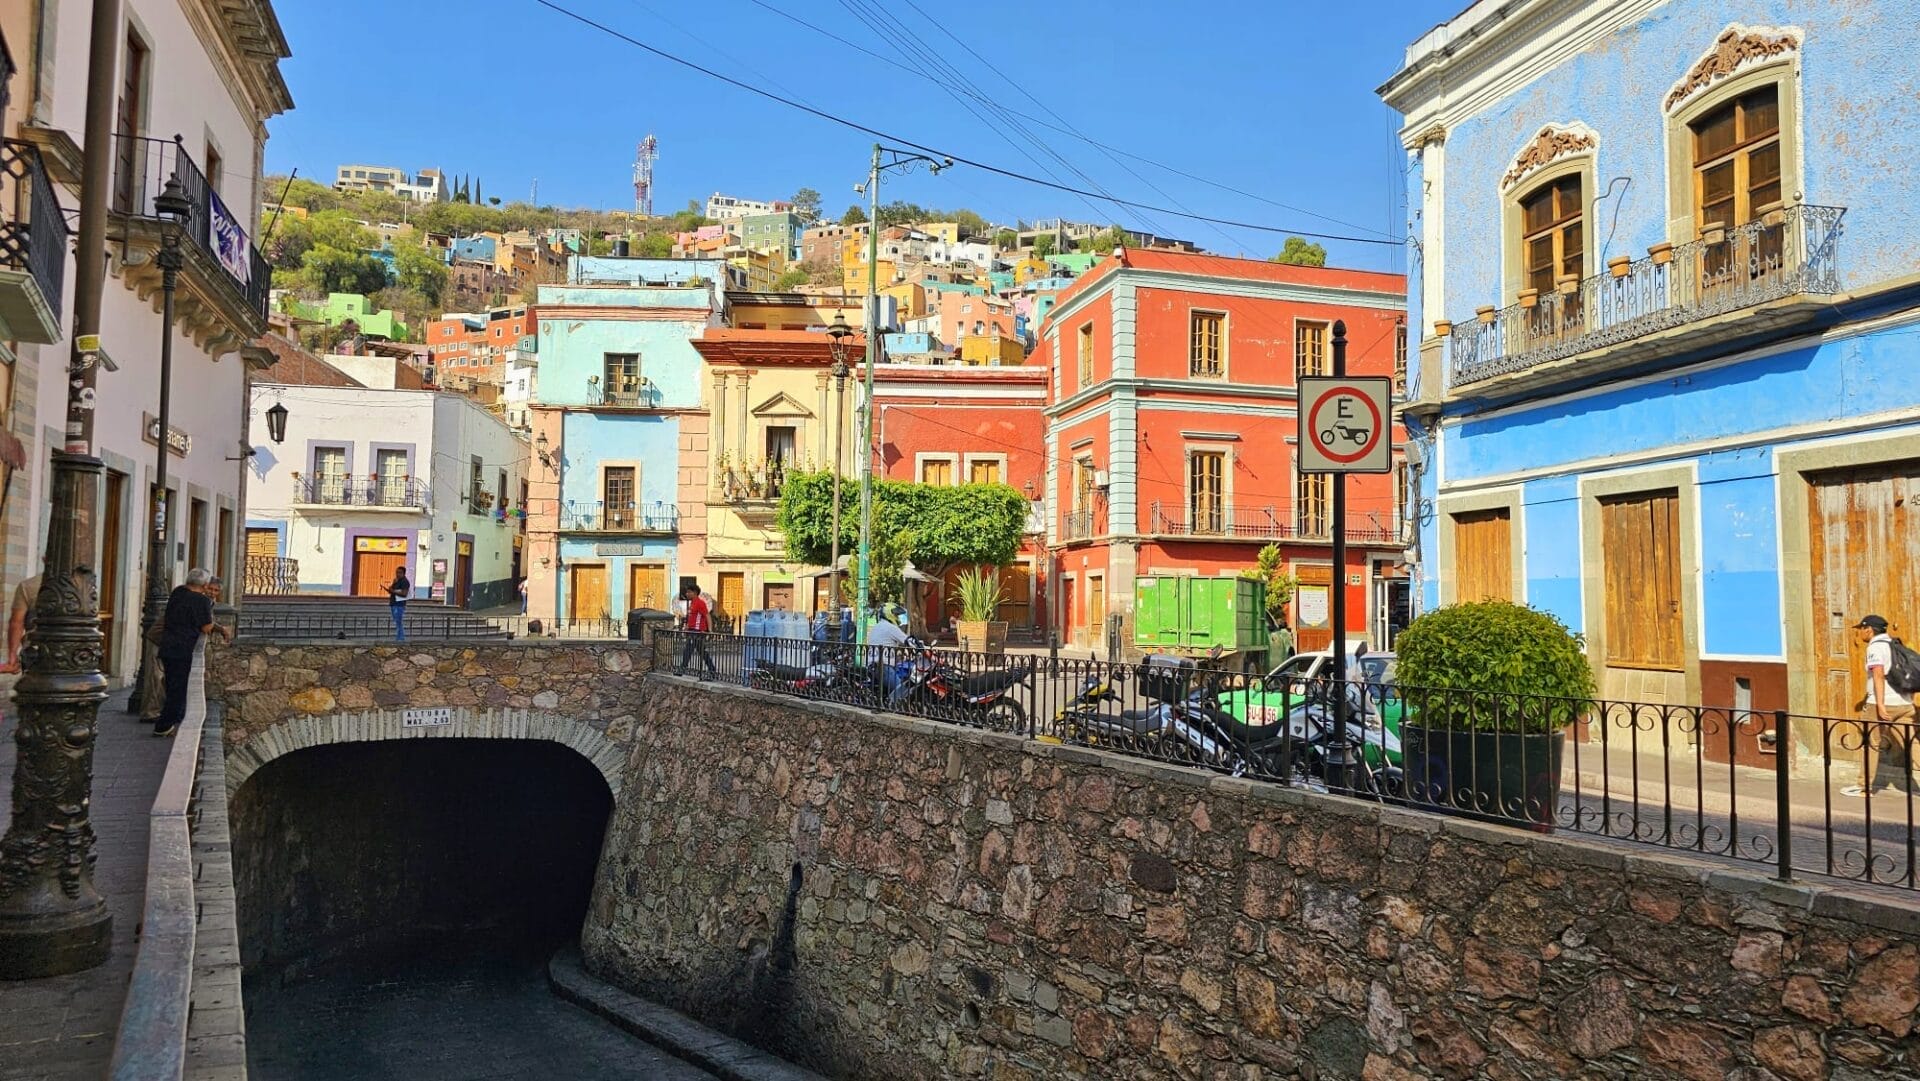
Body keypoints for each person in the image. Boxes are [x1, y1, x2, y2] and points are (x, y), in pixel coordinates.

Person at [155, 568, 231, 737]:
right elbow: (206, 627)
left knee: (171, 685)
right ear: (204, 585)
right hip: (182, 649)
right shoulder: (200, 601)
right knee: (178, 688)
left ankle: (169, 721)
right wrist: (217, 626)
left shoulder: (177, 592)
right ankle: (164, 726)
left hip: (167, 645)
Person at [1848, 615, 1916, 797]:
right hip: (1905, 703)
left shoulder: (1875, 648)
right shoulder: (1896, 644)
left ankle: (1864, 787)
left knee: (1871, 743)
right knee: (1912, 743)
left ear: (1868, 629)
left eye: (1860, 629)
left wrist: (1880, 704)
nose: (1859, 633)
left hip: (1881, 705)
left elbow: (1878, 675)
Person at [673, 582, 718, 678]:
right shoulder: (692, 603)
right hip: (692, 630)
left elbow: (707, 615)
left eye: (689, 592)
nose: (687, 594)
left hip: (697, 631)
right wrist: (687, 626)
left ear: (695, 592)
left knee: (688, 651)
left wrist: (710, 629)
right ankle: (712, 670)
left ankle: (682, 669)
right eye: (687, 592)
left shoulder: (700, 603)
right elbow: (692, 616)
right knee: (702, 652)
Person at [2, 572, 42, 674]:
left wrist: (12, 656)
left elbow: (16, 623)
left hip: (36, 650)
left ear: (44, 559)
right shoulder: (86, 586)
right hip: (80, 653)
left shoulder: (29, 585)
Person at [387, 567, 411, 641]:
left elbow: (404, 593)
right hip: (394, 603)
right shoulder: (397, 581)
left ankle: (400, 638)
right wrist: (393, 584)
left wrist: (393, 591)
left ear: (404, 573)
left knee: (398, 622)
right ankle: (399, 638)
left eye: (400, 572)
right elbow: (391, 590)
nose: (398, 574)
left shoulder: (405, 581)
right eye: (397, 572)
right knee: (397, 621)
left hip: (399, 605)